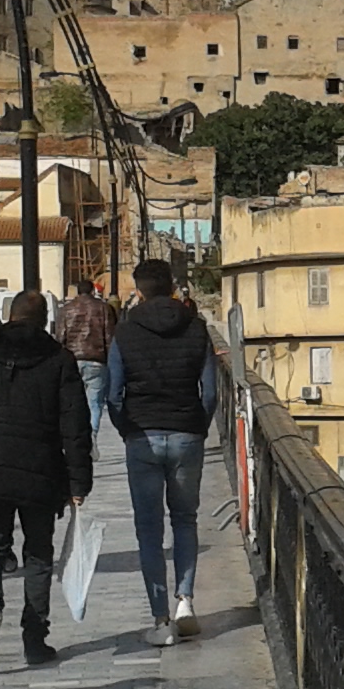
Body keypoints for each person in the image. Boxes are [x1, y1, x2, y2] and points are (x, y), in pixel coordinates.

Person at [0, 289, 92, 670]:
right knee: (38, 553)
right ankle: (34, 637)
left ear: (8, 315)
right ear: (45, 319)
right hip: (41, 470)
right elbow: (74, 424)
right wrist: (79, 483)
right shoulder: (59, 359)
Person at [104, 259, 218, 647]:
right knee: (185, 519)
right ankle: (186, 601)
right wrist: (197, 426)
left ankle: (160, 620)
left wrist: (127, 430)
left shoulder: (125, 332)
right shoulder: (197, 328)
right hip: (187, 434)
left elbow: (113, 394)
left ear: (138, 291)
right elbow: (212, 393)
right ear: (172, 287)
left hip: (143, 436)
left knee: (148, 529)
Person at [54, 280, 116, 434]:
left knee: (72, 402)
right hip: (97, 360)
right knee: (94, 403)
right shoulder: (103, 308)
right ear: (93, 291)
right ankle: (92, 436)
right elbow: (109, 336)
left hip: (72, 360)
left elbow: (60, 337)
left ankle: (75, 434)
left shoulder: (66, 310)